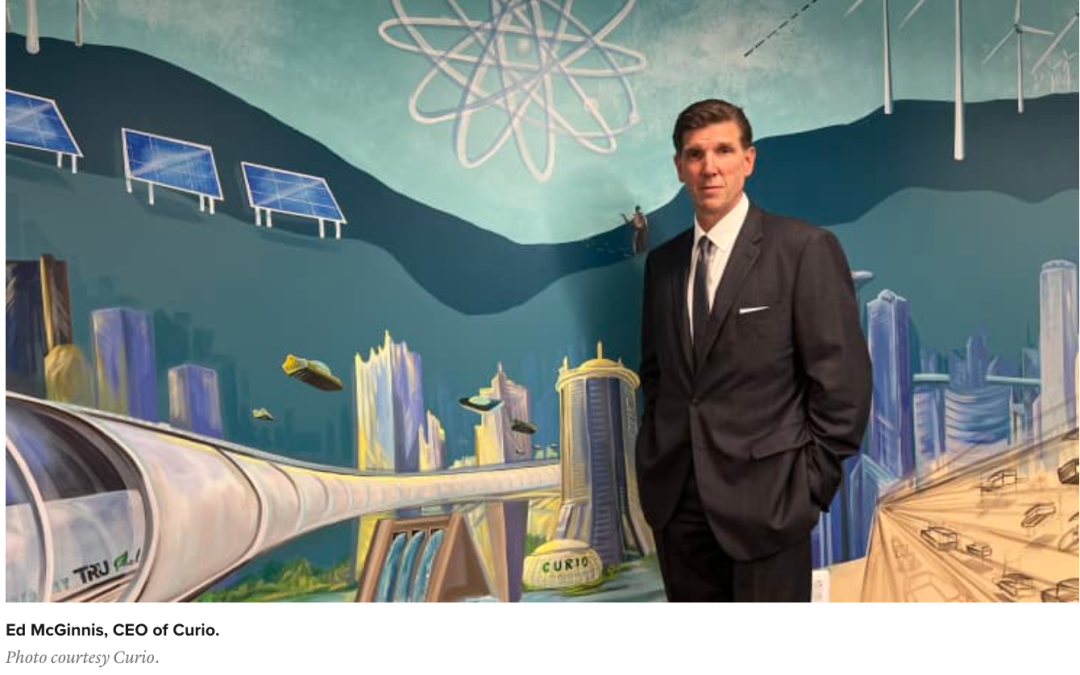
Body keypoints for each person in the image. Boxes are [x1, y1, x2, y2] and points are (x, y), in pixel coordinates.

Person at [636, 99, 871, 602]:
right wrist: (655, 462)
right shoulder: (663, 266)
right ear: (679, 167)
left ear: (749, 159)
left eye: (723, 150)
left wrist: (806, 489)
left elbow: (843, 386)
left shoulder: (804, 249)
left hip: (769, 508)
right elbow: (657, 376)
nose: (710, 167)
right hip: (678, 510)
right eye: (695, 154)